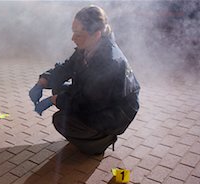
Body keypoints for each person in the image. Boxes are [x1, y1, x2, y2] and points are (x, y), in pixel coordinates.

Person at [29, 5, 140, 155]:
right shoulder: (89, 47)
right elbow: (66, 68)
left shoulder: (110, 62)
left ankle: (102, 140)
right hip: (99, 101)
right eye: (73, 32)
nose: (73, 38)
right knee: (59, 89)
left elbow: (88, 102)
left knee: (62, 120)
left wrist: (53, 100)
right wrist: (42, 82)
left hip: (113, 114)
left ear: (97, 34)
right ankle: (92, 132)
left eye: (78, 34)